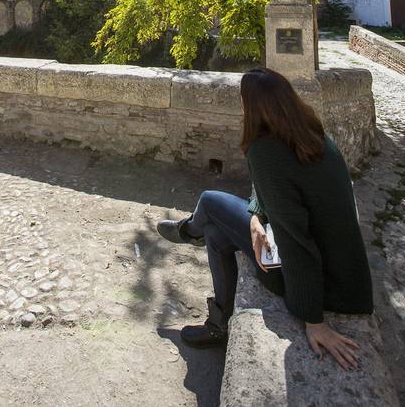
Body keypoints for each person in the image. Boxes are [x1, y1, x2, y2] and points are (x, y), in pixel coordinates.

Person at [157, 67, 373, 370]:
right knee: (218, 237)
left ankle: (189, 231)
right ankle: (218, 323)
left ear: (252, 107)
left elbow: (296, 238)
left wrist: (314, 320)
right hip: (342, 274)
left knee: (209, 201)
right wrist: (256, 219)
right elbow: (277, 192)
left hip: (321, 281)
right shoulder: (311, 133)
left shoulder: (265, 150)